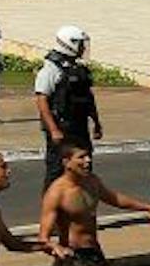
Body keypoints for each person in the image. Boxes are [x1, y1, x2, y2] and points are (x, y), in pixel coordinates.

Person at [38, 142, 150, 266]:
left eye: (88, 156)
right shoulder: (56, 193)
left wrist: (147, 207)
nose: (88, 160)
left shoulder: (92, 181)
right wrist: (57, 249)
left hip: (94, 250)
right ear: (66, 162)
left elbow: (115, 199)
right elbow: (43, 238)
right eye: (81, 157)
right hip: (73, 256)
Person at [34, 26, 102, 188]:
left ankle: (81, 208)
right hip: (62, 127)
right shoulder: (51, 69)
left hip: (79, 125)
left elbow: (88, 98)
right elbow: (41, 100)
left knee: (84, 168)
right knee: (57, 171)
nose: (83, 48)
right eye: (80, 44)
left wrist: (96, 122)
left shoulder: (79, 69)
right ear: (69, 43)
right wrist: (53, 130)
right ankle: (51, 210)